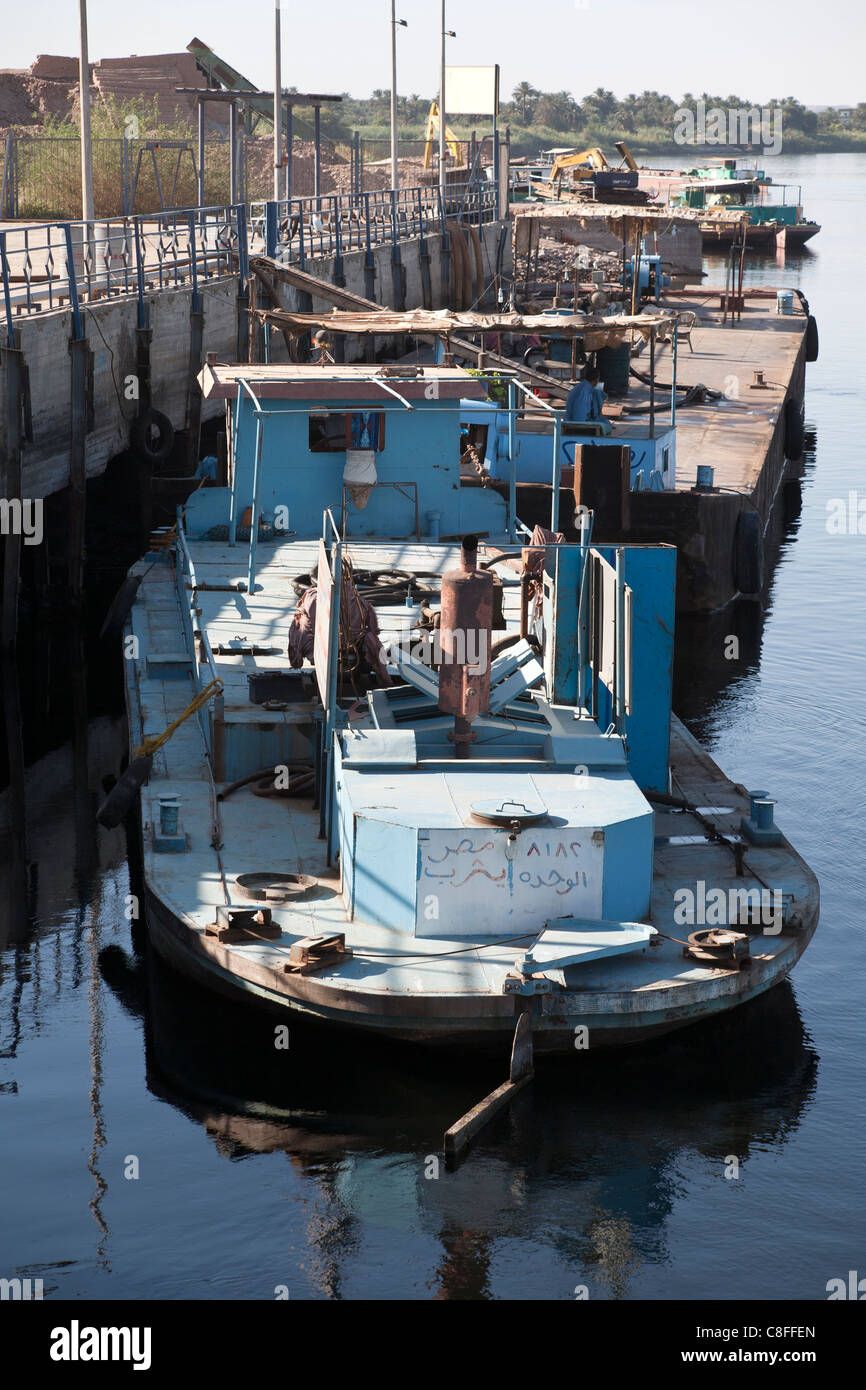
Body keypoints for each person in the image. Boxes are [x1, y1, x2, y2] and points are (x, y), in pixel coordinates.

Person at [565, 367, 610, 433]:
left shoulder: (581, 387)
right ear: (597, 379)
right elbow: (579, 417)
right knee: (606, 426)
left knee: (604, 422)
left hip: (571, 419)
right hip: (576, 423)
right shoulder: (585, 392)